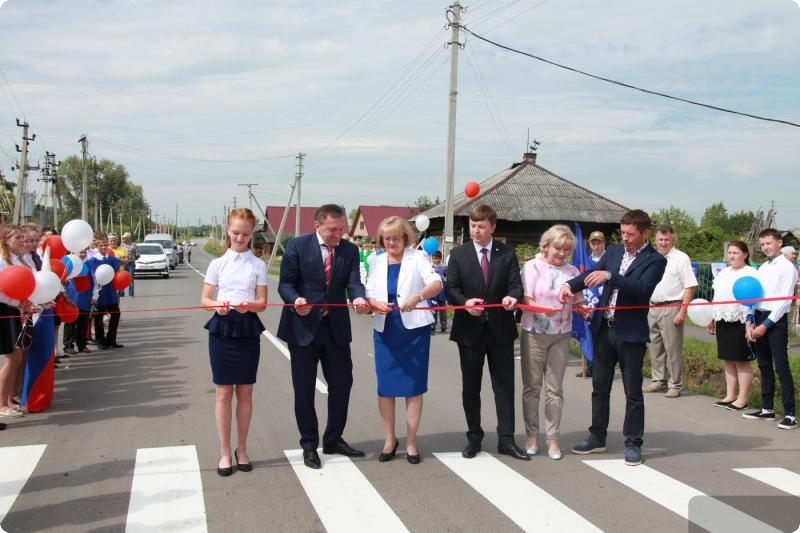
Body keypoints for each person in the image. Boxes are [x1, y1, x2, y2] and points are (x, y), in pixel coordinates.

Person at [559, 209, 667, 466]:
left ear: (645, 233)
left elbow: (642, 290)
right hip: (603, 329)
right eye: (623, 233)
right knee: (599, 387)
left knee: (632, 392)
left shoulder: (655, 260)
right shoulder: (615, 252)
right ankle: (597, 436)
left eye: (631, 234)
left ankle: (633, 443)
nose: (626, 238)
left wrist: (612, 276)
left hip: (630, 334)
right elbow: (592, 274)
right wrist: (570, 286)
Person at [277, 204, 371, 470]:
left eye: (342, 229)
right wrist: (296, 300)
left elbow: (353, 281)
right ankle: (309, 445)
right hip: (302, 328)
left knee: (342, 384)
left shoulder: (349, 250)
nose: (338, 235)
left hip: (336, 329)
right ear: (317, 225)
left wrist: (359, 298)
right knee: (304, 390)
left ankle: (333, 438)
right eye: (333, 230)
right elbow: (285, 283)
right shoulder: (297, 246)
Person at [446, 204, 528, 461]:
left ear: (493, 227)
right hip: (469, 331)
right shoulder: (459, 254)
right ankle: (474, 437)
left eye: (481, 226)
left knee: (503, 387)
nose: (475, 231)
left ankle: (507, 439)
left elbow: (516, 285)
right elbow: (451, 289)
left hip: (500, 330)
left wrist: (511, 297)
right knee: (471, 387)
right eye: (472, 226)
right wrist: (464, 303)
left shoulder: (507, 253)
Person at [365, 216, 442, 464]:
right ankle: (389, 439)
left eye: (396, 238)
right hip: (385, 330)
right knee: (385, 389)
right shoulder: (374, 260)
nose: (391, 242)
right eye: (387, 238)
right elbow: (367, 291)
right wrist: (372, 303)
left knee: (412, 388)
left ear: (406, 238)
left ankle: (410, 442)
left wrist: (418, 296)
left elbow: (436, 283)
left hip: (413, 331)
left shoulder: (418, 257)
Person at [201, 208, 268, 476]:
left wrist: (249, 306)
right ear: (228, 231)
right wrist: (218, 305)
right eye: (236, 232)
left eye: (246, 234)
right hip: (222, 329)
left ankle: (242, 448)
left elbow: (262, 303)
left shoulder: (258, 265)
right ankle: (224, 451)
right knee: (223, 392)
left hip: (247, 328)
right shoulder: (217, 264)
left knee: (245, 392)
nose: (240, 238)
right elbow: (204, 300)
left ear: (252, 234)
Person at [519, 224, 587, 460]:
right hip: (534, 332)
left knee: (554, 389)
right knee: (532, 387)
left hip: (561, 333)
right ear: (546, 245)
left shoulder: (572, 271)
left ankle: (553, 438)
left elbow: (577, 299)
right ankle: (531, 435)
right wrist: (541, 310)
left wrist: (583, 309)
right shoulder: (532, 266)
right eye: (558, 248)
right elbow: (525, 298)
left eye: (566, 250)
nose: (562, 254)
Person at [743, 228, 798, 430]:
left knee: (781, 366)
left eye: (769, 243)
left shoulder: (787, 267)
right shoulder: (763, 267)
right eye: (763, 244)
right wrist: (750, 321)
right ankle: (767, 409)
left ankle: (790, 414)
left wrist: (766, 325)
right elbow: (753, 295)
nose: (766, 247)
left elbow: (784, 301)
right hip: (759, 315)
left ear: (779, 243)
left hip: (775, 320)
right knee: (764, 364)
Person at [644, 225, 698, 398]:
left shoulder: (681, 258)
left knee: (672, 348)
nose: (663, 243)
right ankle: (658, 380)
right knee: (654, 346)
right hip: (652, 305)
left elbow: (690, 285)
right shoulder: (651, 256)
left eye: (667, 240)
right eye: (660, 239)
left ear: (673, 240)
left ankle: (675, 384)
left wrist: (683, 311)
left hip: (672, 305)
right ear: (655, 240)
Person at [708, 241, 757, 411]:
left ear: (745, 254)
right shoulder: (723, 273)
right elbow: (717, 297)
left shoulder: (751, 272)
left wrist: (749, 323)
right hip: (723, 318)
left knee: (741, 360)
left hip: (741, 320)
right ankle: (730, 395)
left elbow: (753, 299)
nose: (731, 256)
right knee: (728, 359)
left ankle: (742, 398)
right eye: (729, 252)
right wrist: (712, 318)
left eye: (735, 253)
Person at [0, 225, 39, 420]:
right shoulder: (2, 261)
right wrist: (19, 303)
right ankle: (2, 403)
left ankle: (8, 400)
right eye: (18, 238)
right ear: (6, 240)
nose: (23, 242)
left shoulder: (17, 259)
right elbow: (3, 290)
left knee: (16, 357)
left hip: (16, 308)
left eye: (24, 238)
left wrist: (27, 302)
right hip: (6, 309)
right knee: (12, 357)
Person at [576, 230, 607, 378]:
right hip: (588, 303)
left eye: (599, 243)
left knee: (601, 338)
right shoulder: (585, 262)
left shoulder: (609, 260)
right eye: (593, 243)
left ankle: (600, 367)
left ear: (604, 243)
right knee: (587, 334)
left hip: (604, 304)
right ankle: (588, 367)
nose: (596, 246)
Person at [87, 236, 124, 350]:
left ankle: (111, 339)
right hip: (98, 292)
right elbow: (93, 278)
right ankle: (100, 341)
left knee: (116, 314)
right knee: (99, 317)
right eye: (101, 245)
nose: (103, 247)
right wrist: (93, 295)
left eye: (105, 245)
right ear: (97, 247)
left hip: (110, 291)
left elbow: (118, 273)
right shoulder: (92, 260)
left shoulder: (112, 259)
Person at [429, 251, 448, 333]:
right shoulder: (430, 267)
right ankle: (433, 325)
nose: (434, 260)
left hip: (442, 292)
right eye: (433, 258)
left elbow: (447, 279)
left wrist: (441, 276)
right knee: (433, 309)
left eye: (436, 258)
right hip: (433, 292)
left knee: (442, 310)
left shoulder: (444, 268)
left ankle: (443, 325)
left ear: (440, 259)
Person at [120, 232, 139, 296]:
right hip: (122, 264)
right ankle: (121, 293)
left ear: (128, 238)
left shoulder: (134, 245)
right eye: (123, 238)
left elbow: (137, 255)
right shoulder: (121, 245)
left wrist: (132, 260)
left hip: (131, 263)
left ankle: (131, 293)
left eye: (124, 238)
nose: (123, 239)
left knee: (130, 278)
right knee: (122, 278)